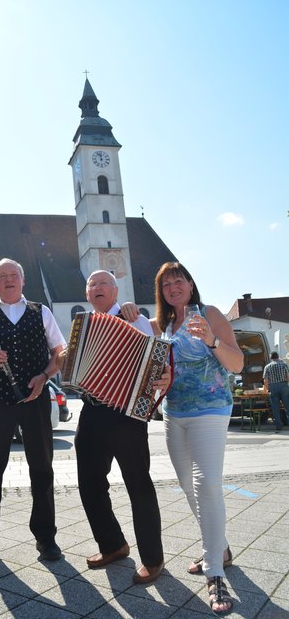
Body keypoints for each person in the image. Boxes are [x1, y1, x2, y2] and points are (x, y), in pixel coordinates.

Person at [150, 262, 243, 615]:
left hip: (210, 410)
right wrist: (161, 380)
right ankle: (220, 548)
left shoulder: (210, 314)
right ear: (162, 292)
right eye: (166, 284)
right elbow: (164, 372)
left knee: (207, 485)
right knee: (189, 487)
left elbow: (235, 363)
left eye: (179, 281)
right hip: (175, 413)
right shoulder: (164, 326)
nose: (173, 287)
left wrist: (211, 339)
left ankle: (214, 573)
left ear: (190, 284)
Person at [0, 258, 65, 567]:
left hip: (35, 398)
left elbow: (59, 354)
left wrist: (44, 377)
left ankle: (46, 538)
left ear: (23, 281)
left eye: (13, 275)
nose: (8, 280)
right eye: (2, 277)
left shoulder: (41, 312)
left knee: (42, 470)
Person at [74, 270, 170, 585]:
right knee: (89, 483)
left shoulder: (135, 320)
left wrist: (162, 378)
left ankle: (153, 559)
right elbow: (74, 367)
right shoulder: (83, 325)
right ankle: (113, 544)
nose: (97, 288)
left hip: (127, 414)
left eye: (104, 283)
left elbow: (158, 362)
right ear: (87, 294)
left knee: (138, 484)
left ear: (115, 291)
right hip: (91, 412)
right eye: (92, 284)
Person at [263, 351, 289, 432]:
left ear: (271, 357)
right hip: (283, 386)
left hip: (273, 387)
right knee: (287, 406)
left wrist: (267, 389)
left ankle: (278, 425)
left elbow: (266, 380)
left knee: (275, 407)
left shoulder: (267, 366)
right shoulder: (284, 364)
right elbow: (288, 376)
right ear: (278, 356)